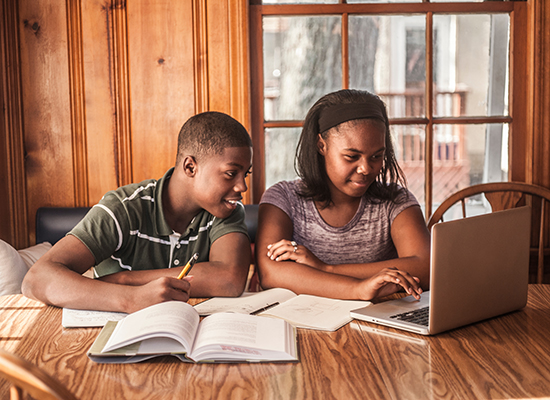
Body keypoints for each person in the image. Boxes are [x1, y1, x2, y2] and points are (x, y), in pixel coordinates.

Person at [22, 111, 253, 313]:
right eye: (231, 173)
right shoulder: (124, 208)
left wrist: (125, 280)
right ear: (190, 167)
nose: (242, 187)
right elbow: (36, 280)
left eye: (246, 174)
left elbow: (229, 279)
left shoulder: (227, 210)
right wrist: (131, 299)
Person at [256, 89, 430, 301]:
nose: (366, 168)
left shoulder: (395, 201)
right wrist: (358, 289)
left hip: (381, 323)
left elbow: (426, 267)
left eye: (377, 156)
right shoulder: (284, 198)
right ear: (322, 145)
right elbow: (270, 274)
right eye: (352, 156)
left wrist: (326, 269)